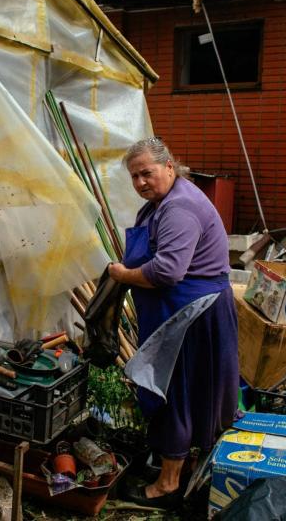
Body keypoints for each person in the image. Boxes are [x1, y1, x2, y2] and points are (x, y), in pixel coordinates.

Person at [108, 137, 239, 508]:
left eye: (146, 173)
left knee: (173, 393)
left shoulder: (179, 207)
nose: (140, 183)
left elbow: (167, 271)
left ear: (169, 166)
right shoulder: (164, 201)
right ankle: (181, 470)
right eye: (134, 177)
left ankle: (167, 486)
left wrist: (122, 275)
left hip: (191, 316)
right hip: (186, 311)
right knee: (191, 392)